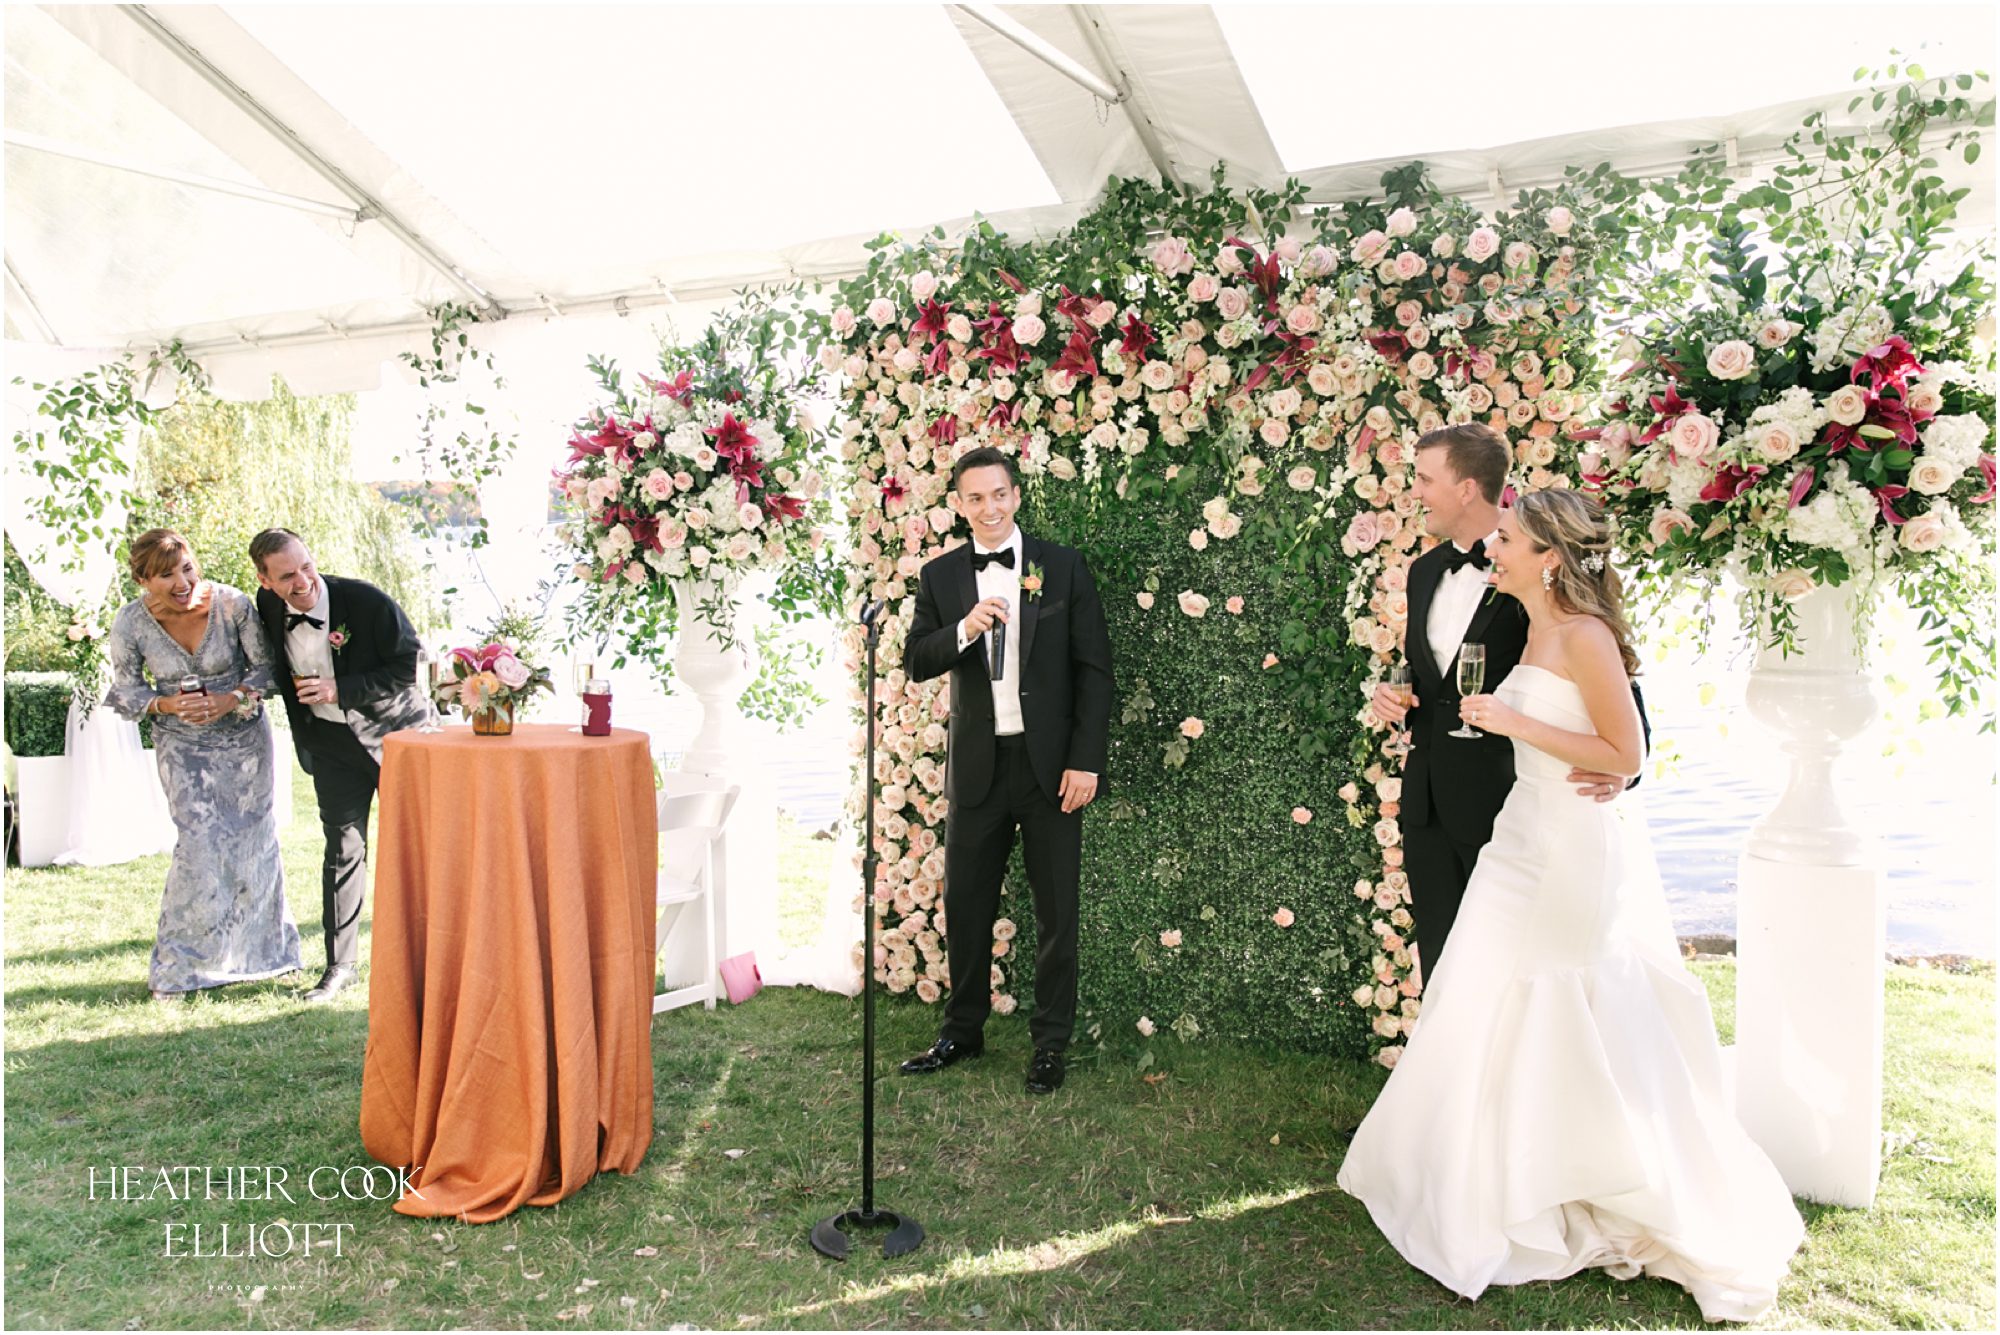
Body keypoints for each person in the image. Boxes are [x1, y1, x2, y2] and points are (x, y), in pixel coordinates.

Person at [1338, 489, 1804, 1322]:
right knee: (1475, 987)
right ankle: (1479, 1176)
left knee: (1554, 995)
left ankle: (1584, 1175)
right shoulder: (1532, 625)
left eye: (1509, 540)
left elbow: (1626, 751)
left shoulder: (1586, 635)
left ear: (1549, 557)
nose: (1494, 550)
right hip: (1521, 834)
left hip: (1570, 850)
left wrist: (1513, 721)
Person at [1370, 424, 1644, 981]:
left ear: (1466, 487)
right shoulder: (1423, 572)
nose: (1414, 491)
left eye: (1425, 479)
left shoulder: (1535, 575)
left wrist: (1624, 771)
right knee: (1447, 975)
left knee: (1517, 976)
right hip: (1428, 807)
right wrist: (1392, 696)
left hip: (1507, 809)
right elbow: (1435, 679)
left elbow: (1615, 687)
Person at [896, 447, 1115, 1095]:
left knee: (1056, 913)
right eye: (975, 498)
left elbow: (1094, 670)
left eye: (998, 494)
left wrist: (1085, 760)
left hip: (1050, 770)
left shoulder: (1063, 566)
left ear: (1016, 496)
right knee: (966, 907)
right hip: (978, 767)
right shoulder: (940, 577)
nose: (989, 507)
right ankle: (961, 1031)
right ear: (959, 506)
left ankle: (1050, 1043)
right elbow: (916, 660)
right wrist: (964, 627)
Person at [103, 529, 301, 1001]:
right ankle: (180, 967)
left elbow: (266, 670)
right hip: (182, 746)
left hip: (244, 740)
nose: (182, 582)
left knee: (254, 839)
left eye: (187, 568)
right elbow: (127, 691)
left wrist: (230, 698)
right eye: (166, 575)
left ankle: (268, 956)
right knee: (199, 845)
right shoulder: (130, 623)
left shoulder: (232, 605)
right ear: (142, 580)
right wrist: (167, 705)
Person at [250, 528, 430, 1004]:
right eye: (286, 576)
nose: (302, 581)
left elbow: (409, 665)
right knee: (342, 851)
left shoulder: (366, 601)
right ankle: (339, 967)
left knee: (419, 850)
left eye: (306, 567)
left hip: (395, 738)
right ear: (265, 581)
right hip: (330, 744)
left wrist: (339, 689)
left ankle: (433, 958)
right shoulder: (267, 607)